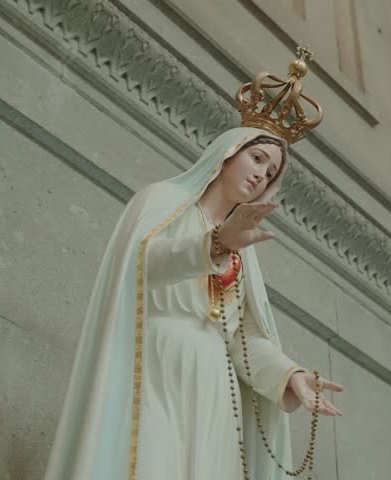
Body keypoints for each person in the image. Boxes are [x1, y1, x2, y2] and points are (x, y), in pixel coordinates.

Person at [45, 50, 344, 480]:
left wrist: (288, 374)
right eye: (257, 158)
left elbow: (242, 340)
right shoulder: (161, 204)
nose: (262, 174)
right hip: (155, 365)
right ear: (227, 153)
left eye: (271, 171)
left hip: (215, 388)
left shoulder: (245, 256)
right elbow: (144, 266)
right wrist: (216, 243)